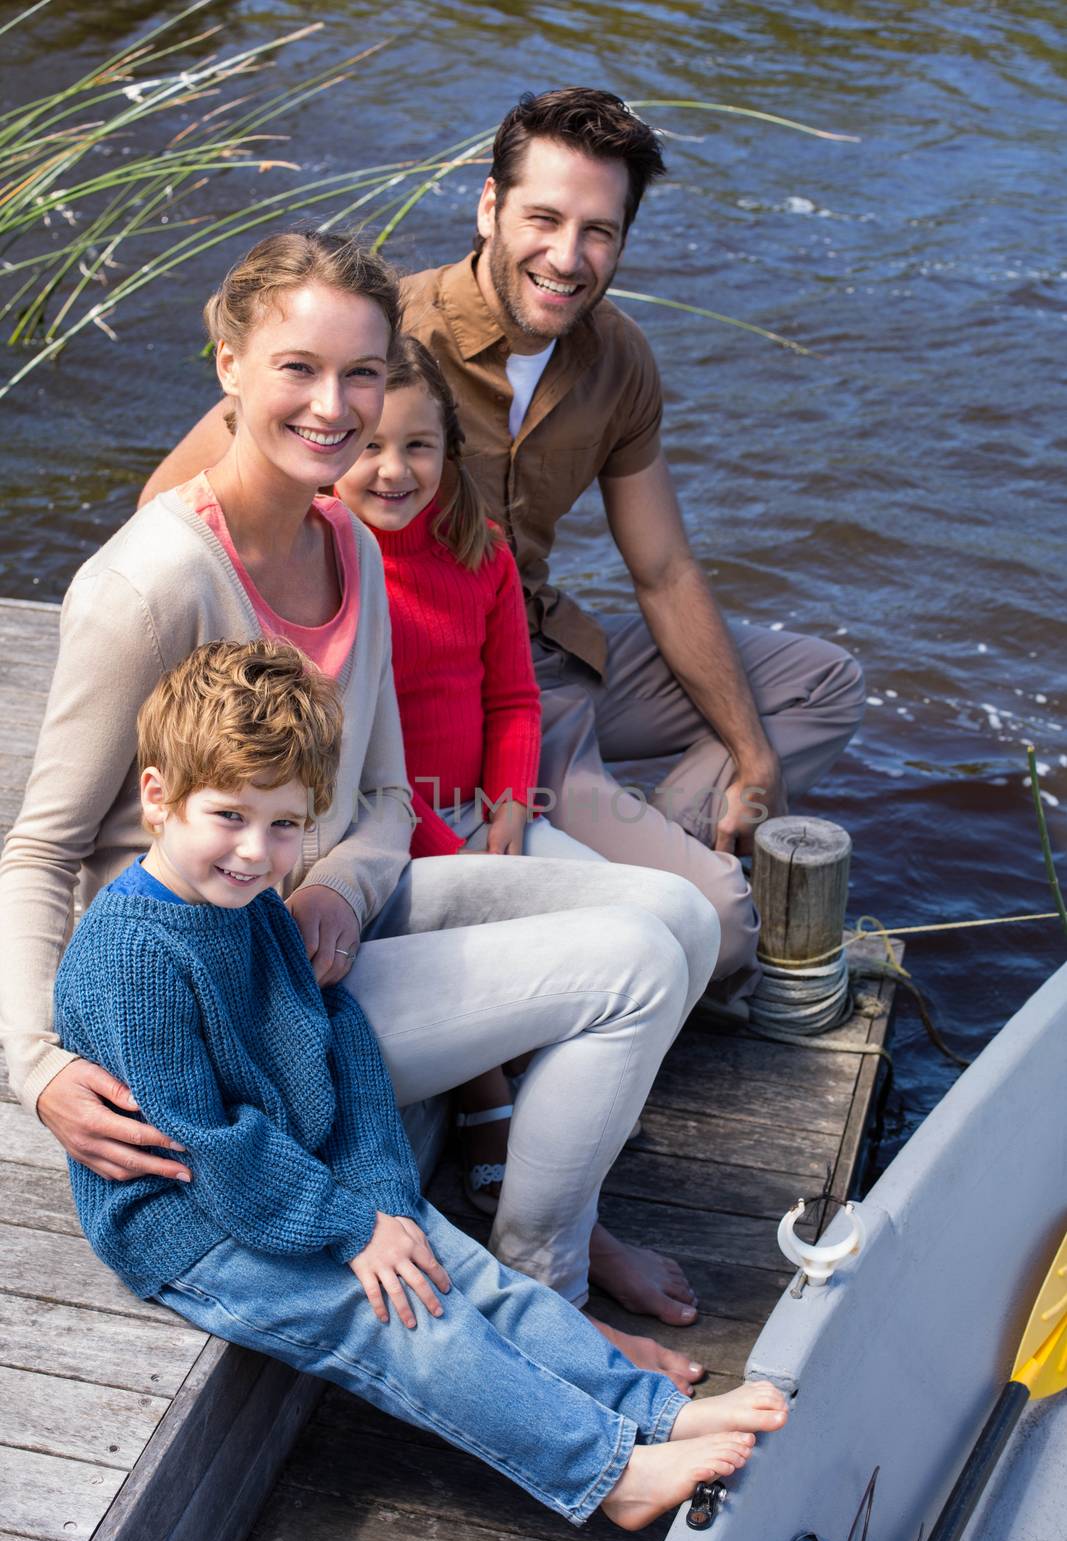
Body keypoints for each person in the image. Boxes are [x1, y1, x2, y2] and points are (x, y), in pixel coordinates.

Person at [0, 229, 724, 1388]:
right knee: (636, 960)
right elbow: (39, 847)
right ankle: (548, 1286)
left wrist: (340, 883)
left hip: (332, 929)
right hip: (228, 1004)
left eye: (361, 372)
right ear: (228, 362)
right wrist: (34, 1064)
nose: (334, 406)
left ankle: (544, 1225)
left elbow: (380, 795)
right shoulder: (148, 586)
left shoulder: (347, 539)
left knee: (683, 918)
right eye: (297, 367)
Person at [139, 87, 867, 1021]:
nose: (568, 258)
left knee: (820, 683)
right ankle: (606, 839)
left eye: (599, 231)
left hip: (536, 659)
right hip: (419, 694)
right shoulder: (377, 339)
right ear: (488, 207)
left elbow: (663, 570)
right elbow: (170, 502)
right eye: (544, 218)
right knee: (722, 928)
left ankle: (645, 821)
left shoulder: (619, 359)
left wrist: (751, 755)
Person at [54, 637, 789, 1528]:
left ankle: (654, 1408)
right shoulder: (133, 953)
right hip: (191, 1222)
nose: (255, 853)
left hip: (296, 1172)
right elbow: (204, 1145)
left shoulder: (250, 911)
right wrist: (350, 1224)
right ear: (158, 796)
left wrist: (379, 1194)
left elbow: (339, 1042)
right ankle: (609, 1473)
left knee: (462, 1267)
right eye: (229, 817)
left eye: (284, 825)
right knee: (403, 1321)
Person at [338, 332, 604, 1210]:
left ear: (451, 449)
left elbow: (513, 701)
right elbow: (366, 736)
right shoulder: (334, 559)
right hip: (385, 825)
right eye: (370, 445)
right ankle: (489, 1098)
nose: (392, 470)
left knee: (622, 915)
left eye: (417, 445)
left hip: (480, 811)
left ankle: (566, 1077)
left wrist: (507, 809)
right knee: (464, 932)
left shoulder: (479, 549)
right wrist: (450, 848)